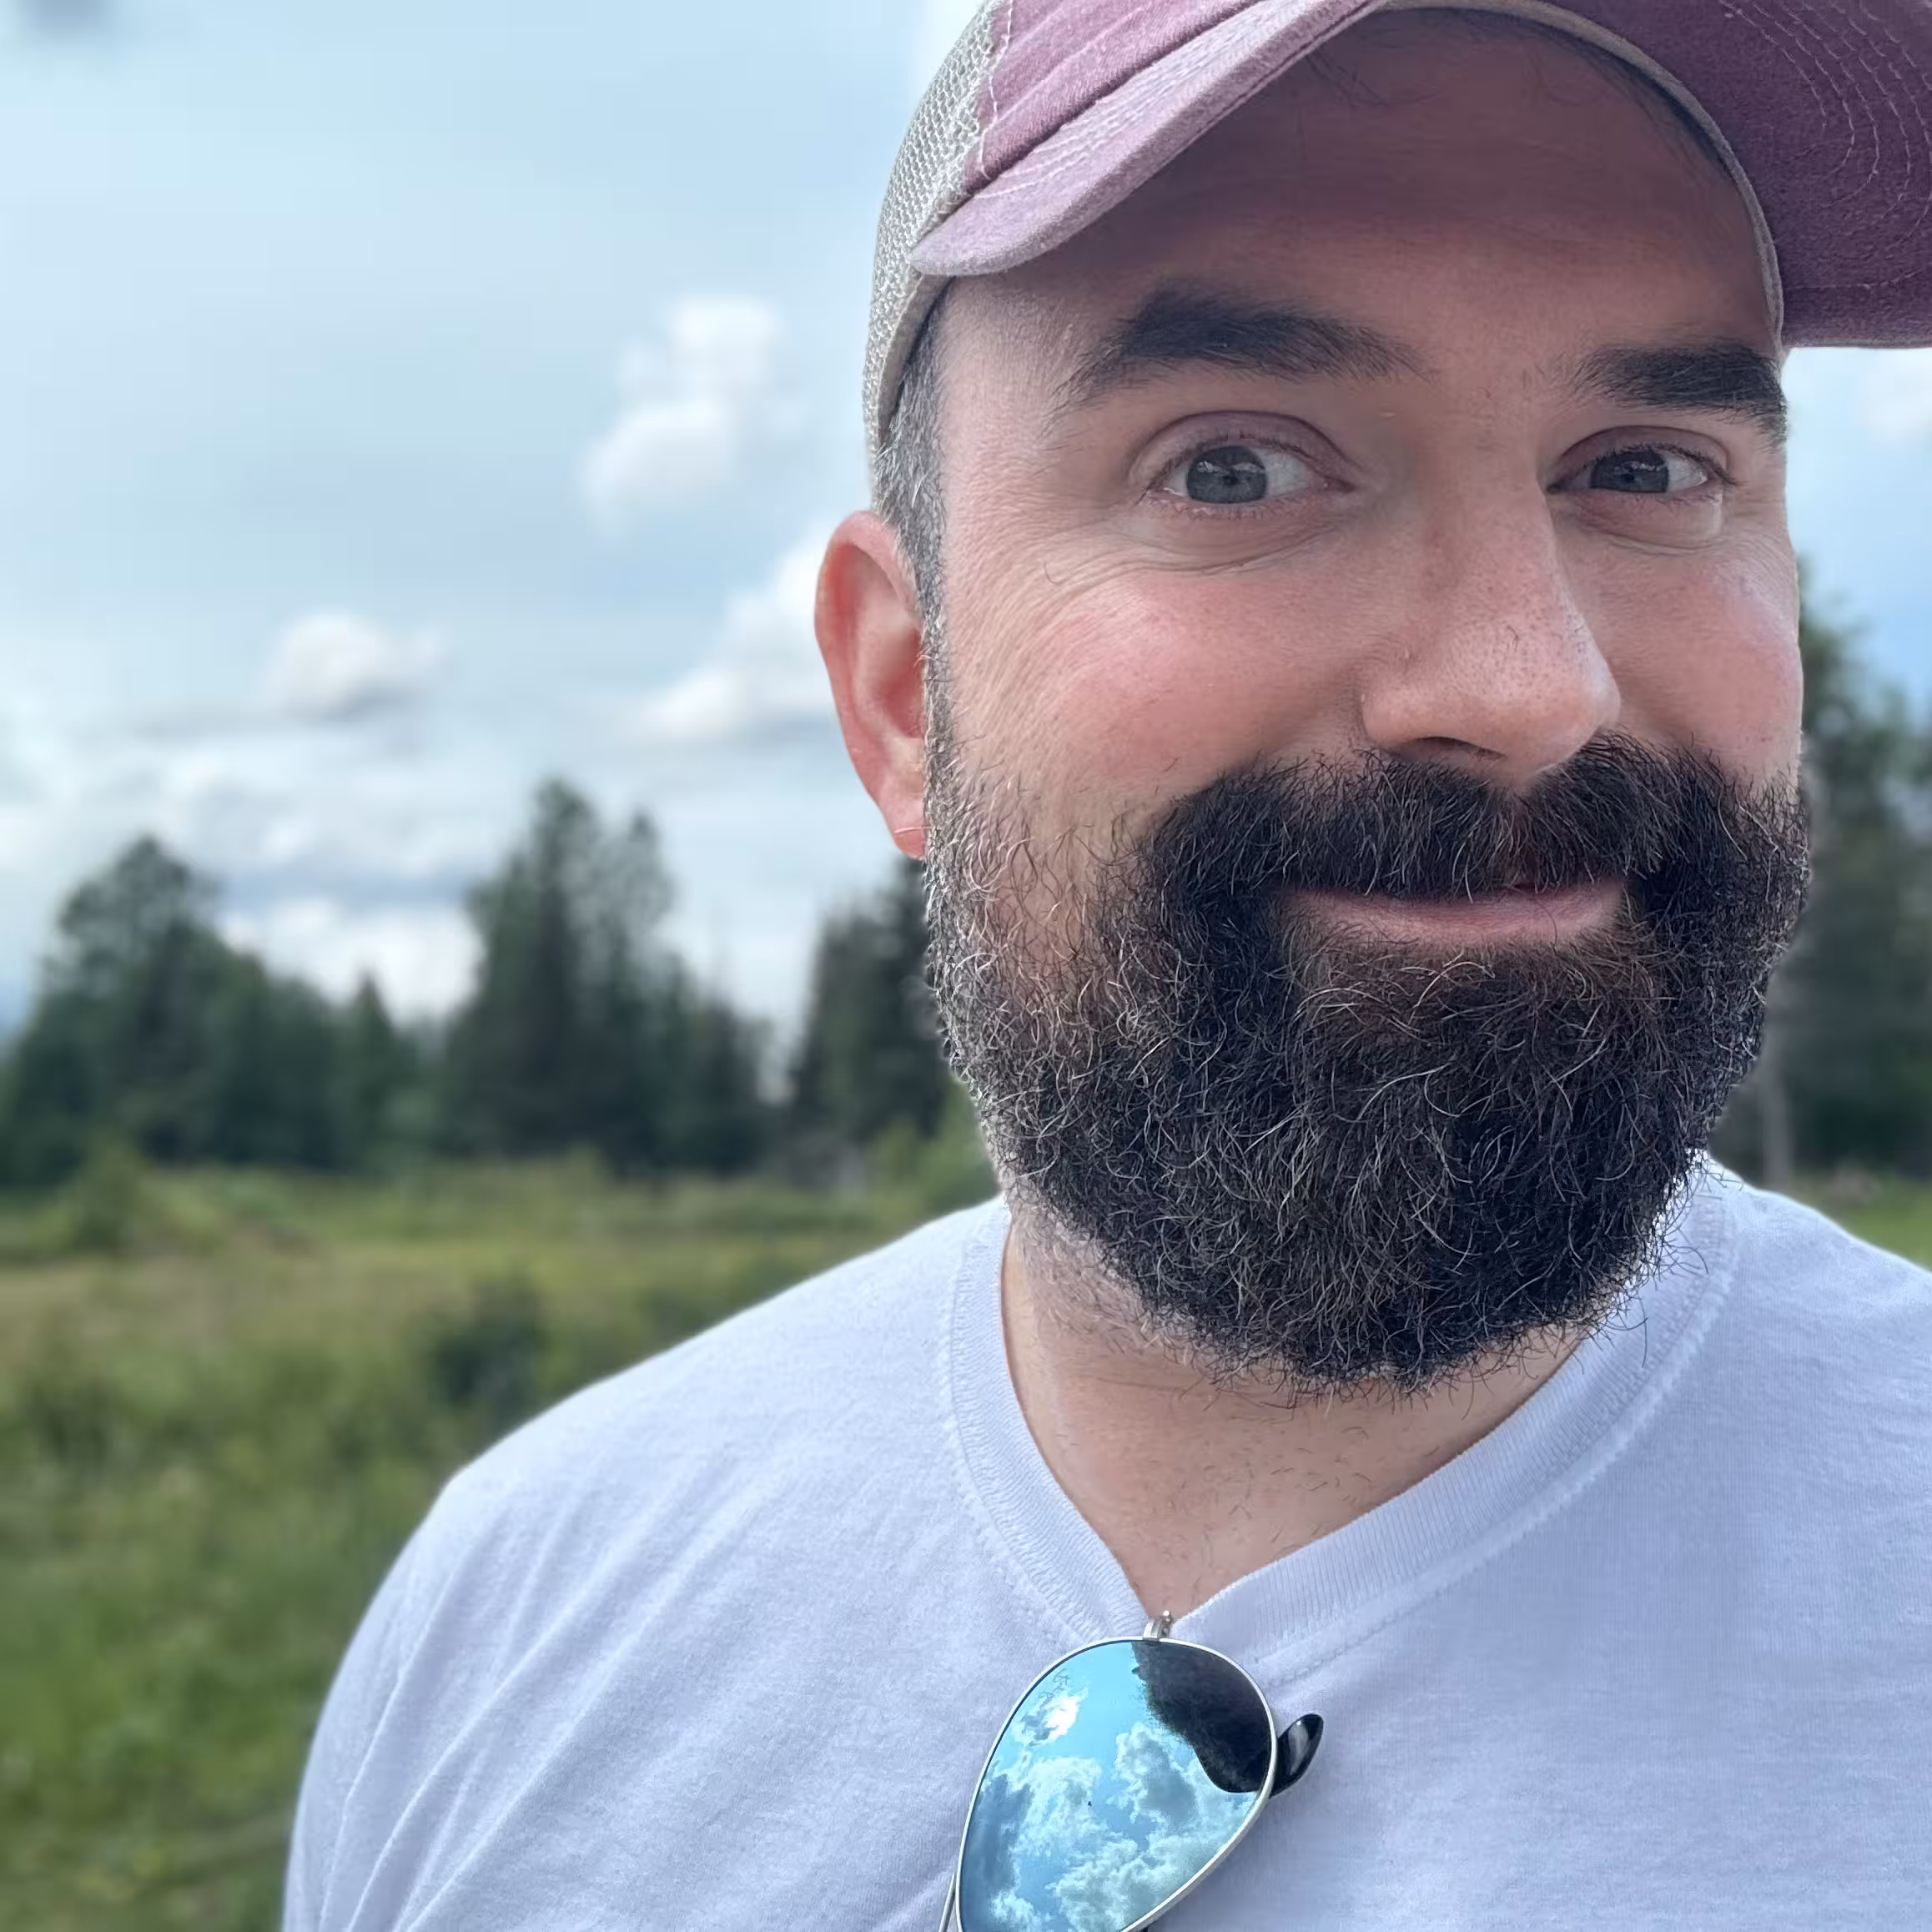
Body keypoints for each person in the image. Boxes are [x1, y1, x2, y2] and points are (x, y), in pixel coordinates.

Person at [284, 3, 1932, 1926]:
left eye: (1645, 468)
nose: (1525, 687)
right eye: (1233, 469)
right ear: (905, 695)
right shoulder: (517, 1623)